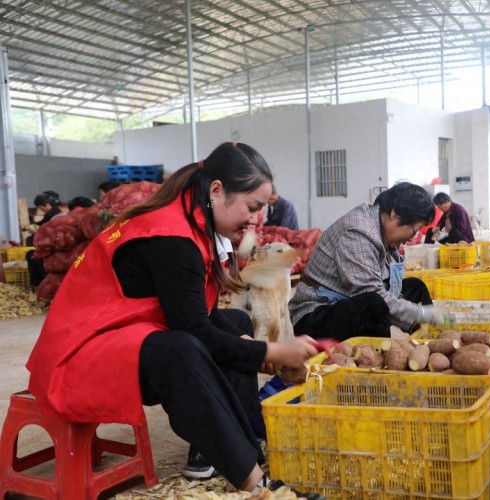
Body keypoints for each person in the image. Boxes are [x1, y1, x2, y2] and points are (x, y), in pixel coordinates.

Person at [25, 142, 326, 494]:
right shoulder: (172, 236)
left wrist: (254, 347)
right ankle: (257, 485)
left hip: (120, 332)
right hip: (77, 353)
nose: (255, 220)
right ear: (217, 190)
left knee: (237, 326)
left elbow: (201, 313)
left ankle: (243, 447)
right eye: (252, 206)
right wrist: (270, 353)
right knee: (181, 349)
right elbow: (193, 328)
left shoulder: (189, 220)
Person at [289, 182, 454, 340]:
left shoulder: (382, 229)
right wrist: (422, 314)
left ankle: (430, 340)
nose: (409, 239)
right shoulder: (358, 233)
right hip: (315, 316)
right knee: (374, 304)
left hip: (346, 300)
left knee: (415, 287)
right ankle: (381, 357)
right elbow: (370, 293)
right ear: (395, 214)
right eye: (413, 230)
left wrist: (423, 314)